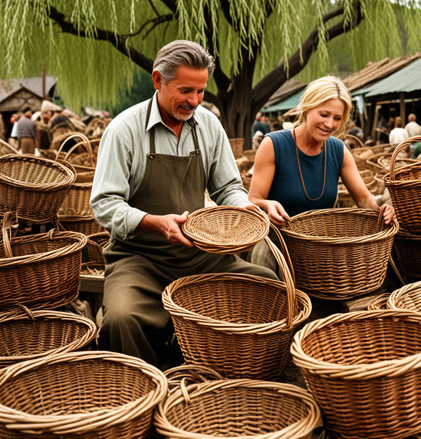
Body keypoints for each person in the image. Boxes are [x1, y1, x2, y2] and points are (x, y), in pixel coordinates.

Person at [90, 40, 277, 368]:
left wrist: (246, 207)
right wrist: (154, 222)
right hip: (138, 259)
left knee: (269, 288)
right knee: (121, 319)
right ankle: (148, 397)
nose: (194, 101)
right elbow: (105, 204)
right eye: (186, 90)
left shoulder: (209, 126)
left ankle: (227, 376)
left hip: (200, 255)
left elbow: (228, 188)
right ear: (158, 81)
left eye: (201, 92)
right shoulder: (123, 131)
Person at [247, 76, 394, 271]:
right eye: (324, 114)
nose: (330, 124)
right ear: (307, 108)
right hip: (277, 246)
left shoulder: (338, 150)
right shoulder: (273, 145)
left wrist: (383, 210)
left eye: (337, 118)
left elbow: (364, 198)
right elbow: (253, 200)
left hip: (319, 248)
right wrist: (267, 205)